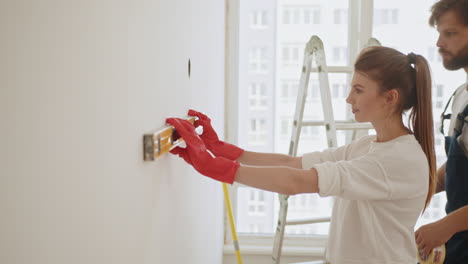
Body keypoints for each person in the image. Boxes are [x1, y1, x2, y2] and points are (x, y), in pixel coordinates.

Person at [167, 46, 437, 263]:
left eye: (358, 90)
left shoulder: (399, 160)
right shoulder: (368, 145)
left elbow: (297, 182)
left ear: (390, 98)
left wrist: (214, 167)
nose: (348, 99)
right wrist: (223, 150)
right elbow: (293, 163)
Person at [415, 0, 468, 263]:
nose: (438, 43)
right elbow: (460, 165)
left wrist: (444, 226)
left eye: (450, 33)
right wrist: (420, 189)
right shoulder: (461, 96)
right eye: (439, 33)